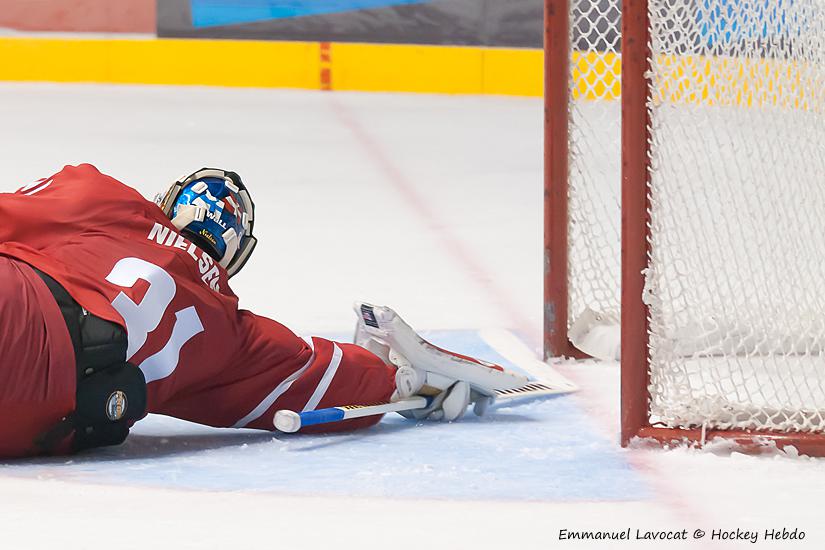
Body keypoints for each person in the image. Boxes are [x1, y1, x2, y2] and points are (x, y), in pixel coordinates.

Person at [0, 165, 500, 458]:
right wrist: (408, 382)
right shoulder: (233, 336)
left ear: (166, 202)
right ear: (233, 256)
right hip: (38, 420)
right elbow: (334, 378)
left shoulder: (100, 197)